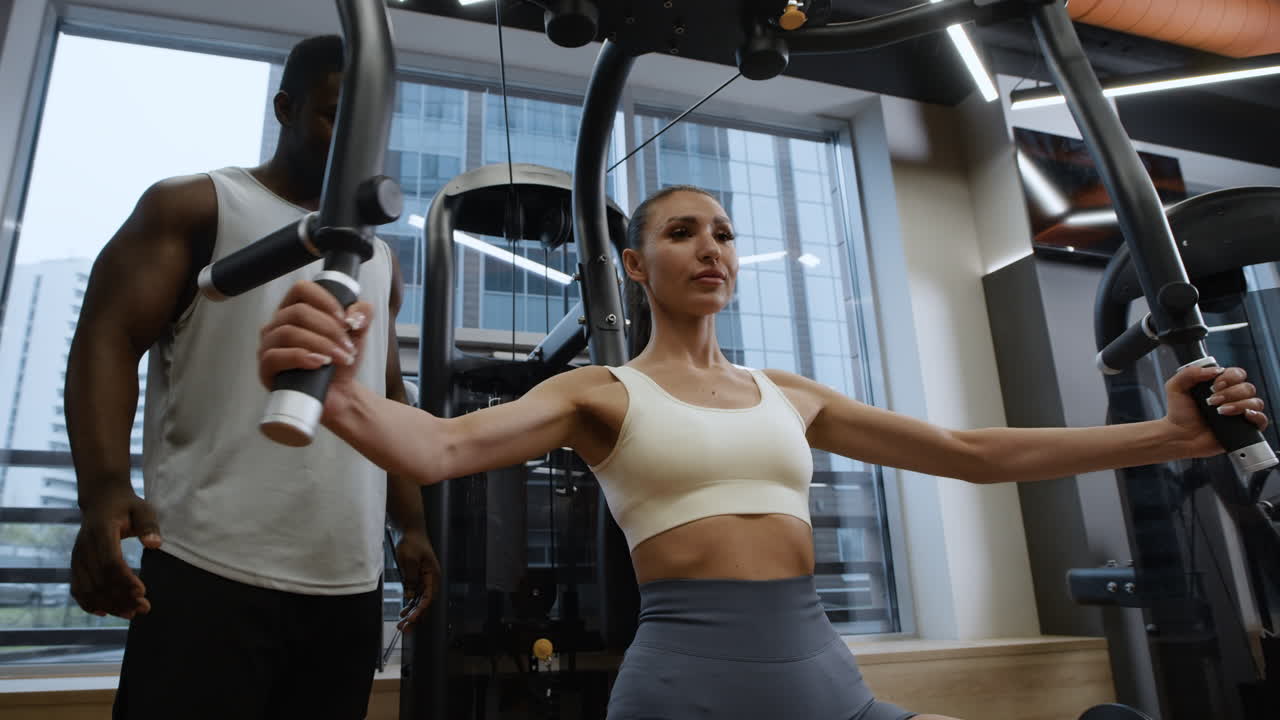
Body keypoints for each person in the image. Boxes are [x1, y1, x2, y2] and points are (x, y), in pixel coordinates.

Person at [256, 184, 1268, 720]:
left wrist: (1168, 434)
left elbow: (969, 450)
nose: (711, 249)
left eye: (725, 233)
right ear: (633, 264)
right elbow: (434, 448)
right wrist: (341, 392)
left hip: (829, 686)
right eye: (683, 232)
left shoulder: (788, 394)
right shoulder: (599, 391)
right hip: (683, 693)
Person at [64, 35, 439, 720]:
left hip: (345, 582)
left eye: (371, 129)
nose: (355, 143)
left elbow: (385, 397)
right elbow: (108, 336)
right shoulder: (196, 207)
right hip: (207, 565)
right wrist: (105, 490)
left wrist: (411, 523)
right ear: (285, 109)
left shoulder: (379, 257)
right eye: (334, 116)